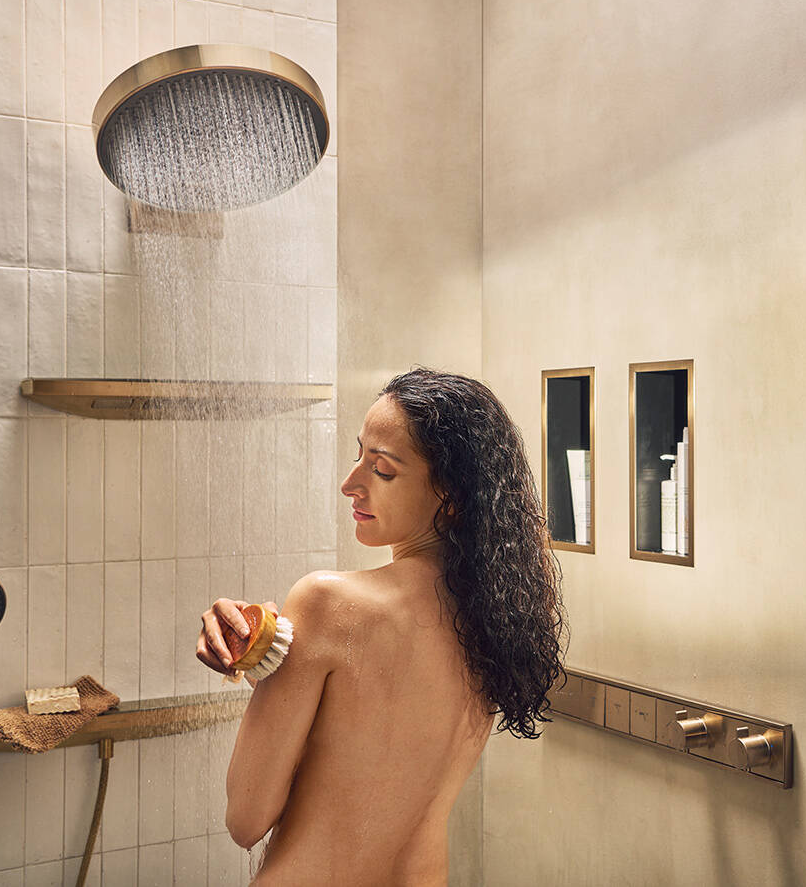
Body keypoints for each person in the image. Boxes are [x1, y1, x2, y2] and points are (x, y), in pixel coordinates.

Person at [196, 368, 569, 886]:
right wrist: (269, 655)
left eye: (383, 471)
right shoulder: (500, 616)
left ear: (451, 496)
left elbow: (246, 818)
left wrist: (264, 662)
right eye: (358, 456)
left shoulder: (328, 604)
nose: (350, 483)